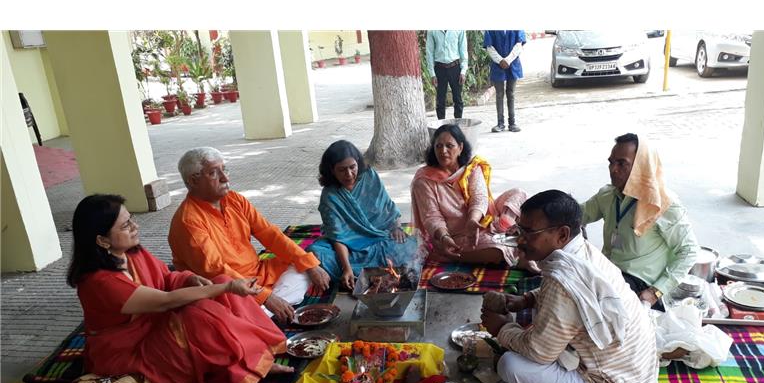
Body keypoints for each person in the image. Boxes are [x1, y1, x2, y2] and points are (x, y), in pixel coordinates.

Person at [67, 194, 294, 383]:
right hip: (129, 349)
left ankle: (264, 348)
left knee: (221, 281)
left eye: (131, 219)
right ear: (102, 240)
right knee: (200, 314)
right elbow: (165, 301)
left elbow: (167, 278)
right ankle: (250, 366)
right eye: (126, 225)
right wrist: (227, 288)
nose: (135, 226)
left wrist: (189, 278)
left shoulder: (132, 253)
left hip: (157, 324)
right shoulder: (100, 282)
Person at [480, 190, 658, 383]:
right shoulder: (582, 251)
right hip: (639, 375)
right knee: (542, 324)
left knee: (510, 365)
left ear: (562, 234)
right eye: (520, 229)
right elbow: (575, 297)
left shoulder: (562, 280)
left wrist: (502, 328)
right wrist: (527, 299)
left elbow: (539, 352)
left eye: (528, 232)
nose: (520, 239)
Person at [168, 147, 330, 325]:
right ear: (194, 180)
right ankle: (261, 313)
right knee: (224, 305)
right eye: (214, 173)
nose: (225, 178)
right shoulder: (188, 221)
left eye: (224, 169)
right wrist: (266, 297)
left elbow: (269, 233)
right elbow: (216, 271)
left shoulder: (234, 200)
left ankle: (261, 314)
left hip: (258, 273)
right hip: (227, 290)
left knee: (305, 265)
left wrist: (309, 265)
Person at [582, 133, 699, 309]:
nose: (613, 169)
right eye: (611, 162)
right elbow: (579, 214)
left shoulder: (663, 204)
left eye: (622, 163)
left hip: (639, 282)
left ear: (642, 166)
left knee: (593, 305)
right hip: (608, 272)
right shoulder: (607, 195)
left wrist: (656, 291)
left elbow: (689, 251)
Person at [307, 140, 419, 290]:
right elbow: (338, 237)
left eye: (352, 167)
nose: (349, 174)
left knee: (412, 245)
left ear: (358, 163)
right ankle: (357, 272)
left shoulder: (369, 177)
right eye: (341, 170)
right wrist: (346, 268)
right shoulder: (330, 196)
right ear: (332, 170)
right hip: (348, 249)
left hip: (379, 239)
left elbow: (387, 207)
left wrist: (397, 228)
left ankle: (365, 273)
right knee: (316, 252)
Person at [411, 124, 527, 265]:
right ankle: (450, 254)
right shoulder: (424, 180)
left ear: (460, 148)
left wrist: (472, 220)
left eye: (449, 146)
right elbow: (432, 217)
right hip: (455, 235)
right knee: (498, 251)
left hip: (481, 219)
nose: (443, 151)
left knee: (519, 194)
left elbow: (479, 197)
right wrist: (444, 237)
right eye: (438, 146)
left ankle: (505, 232)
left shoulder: (472, 167)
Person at [484, 30, 526, 133]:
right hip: (497, 64)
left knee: (511, 93)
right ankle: (500, 124)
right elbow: (489, 47)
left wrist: (507, 60)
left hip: (513, 63)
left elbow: (519, 44)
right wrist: (500, 60)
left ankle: (512, 123)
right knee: (499, 94)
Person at [425, 30, 468, 120]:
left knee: (458, 99)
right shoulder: (432, 30)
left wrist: (463, 71)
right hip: (439, 69)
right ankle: (442, 125)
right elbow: (429, 52)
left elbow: (463, 51)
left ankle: (457, 124)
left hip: (455, 67)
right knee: (440, 100)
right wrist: (432, 74)